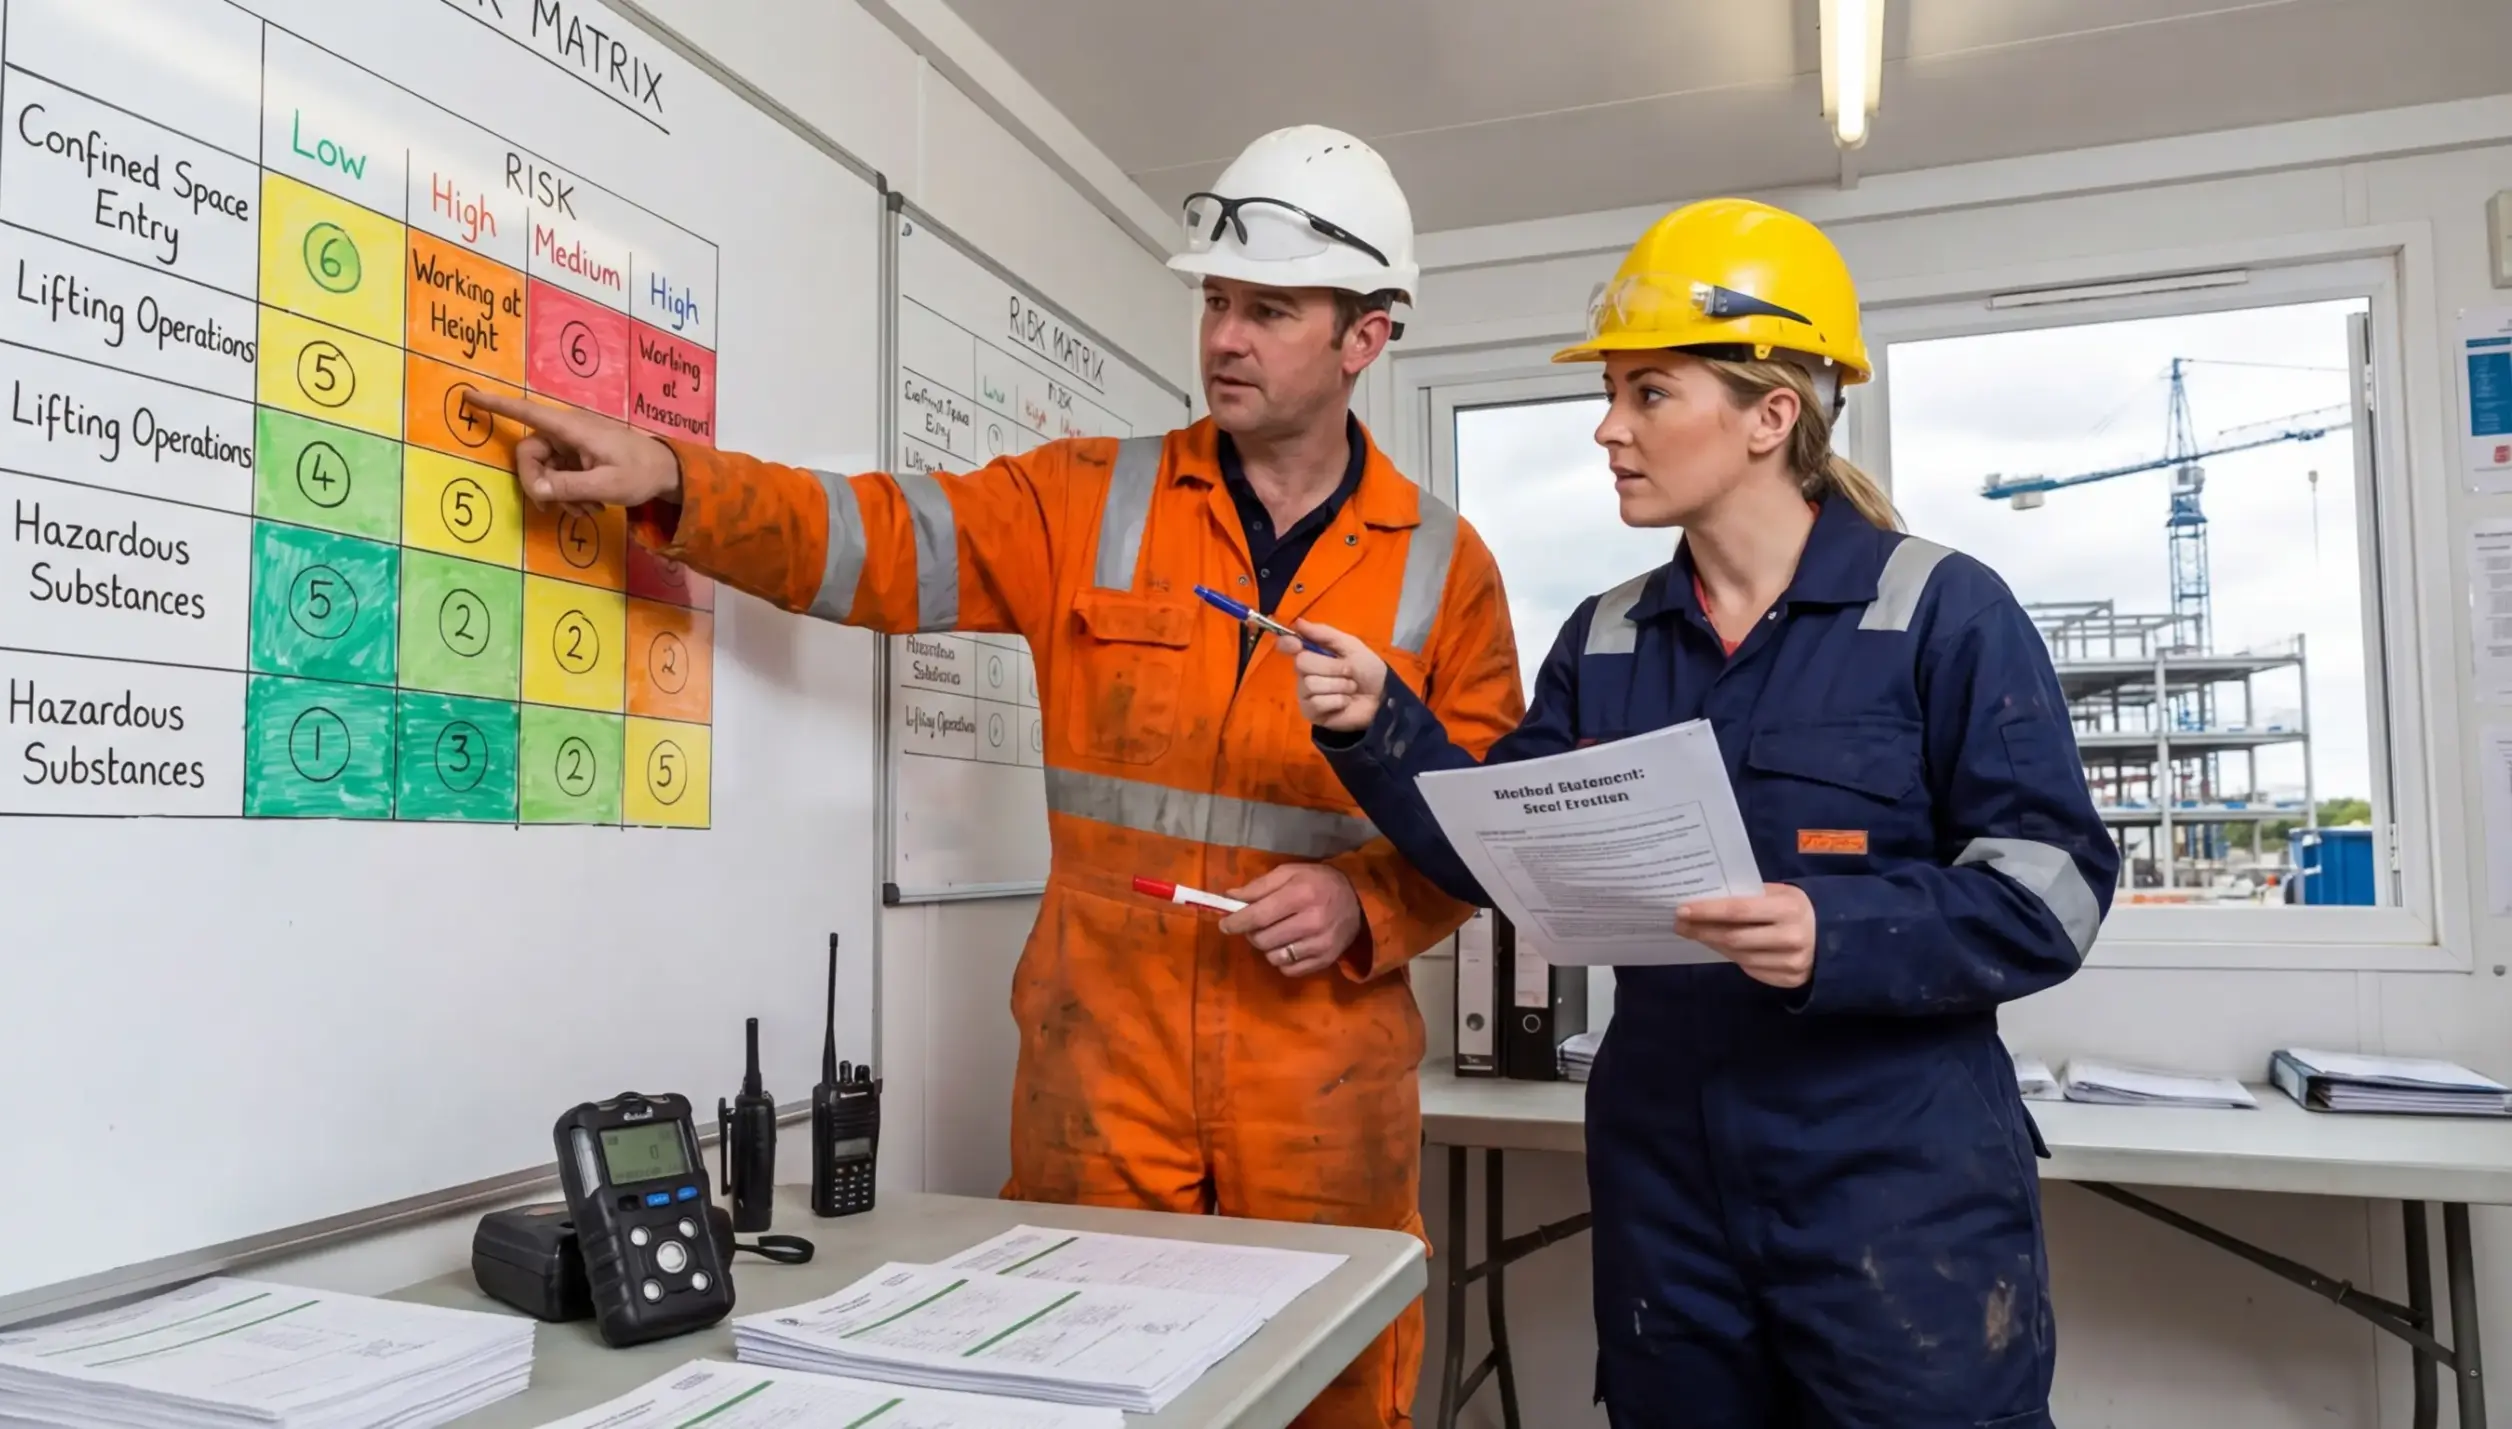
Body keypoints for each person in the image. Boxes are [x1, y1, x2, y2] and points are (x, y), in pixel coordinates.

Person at [466, 125, 1524, 1429]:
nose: (1224, 338)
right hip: (1103, 1070)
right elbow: (874, 538)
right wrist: (679, 480)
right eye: (1215, 301)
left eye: (1268, 311)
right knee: (1082, 1384)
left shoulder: (1446, 567)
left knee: (1333, 1399)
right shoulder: (1085, 497)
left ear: (1365, 336)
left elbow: (1485, 829)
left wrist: (1367, 902)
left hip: (1322, 1088)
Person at [1279, 198, 2119, 1428]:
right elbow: (1499, 850)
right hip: (1668, 1192)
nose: (1607, 428)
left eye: (1650, 393)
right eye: (1609, 393)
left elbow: (2054, 886)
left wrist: (1836, 931)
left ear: (1770, 415)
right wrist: (1380, 728)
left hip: (1897, 1195)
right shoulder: (1608, 637)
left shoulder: (1941, 610)